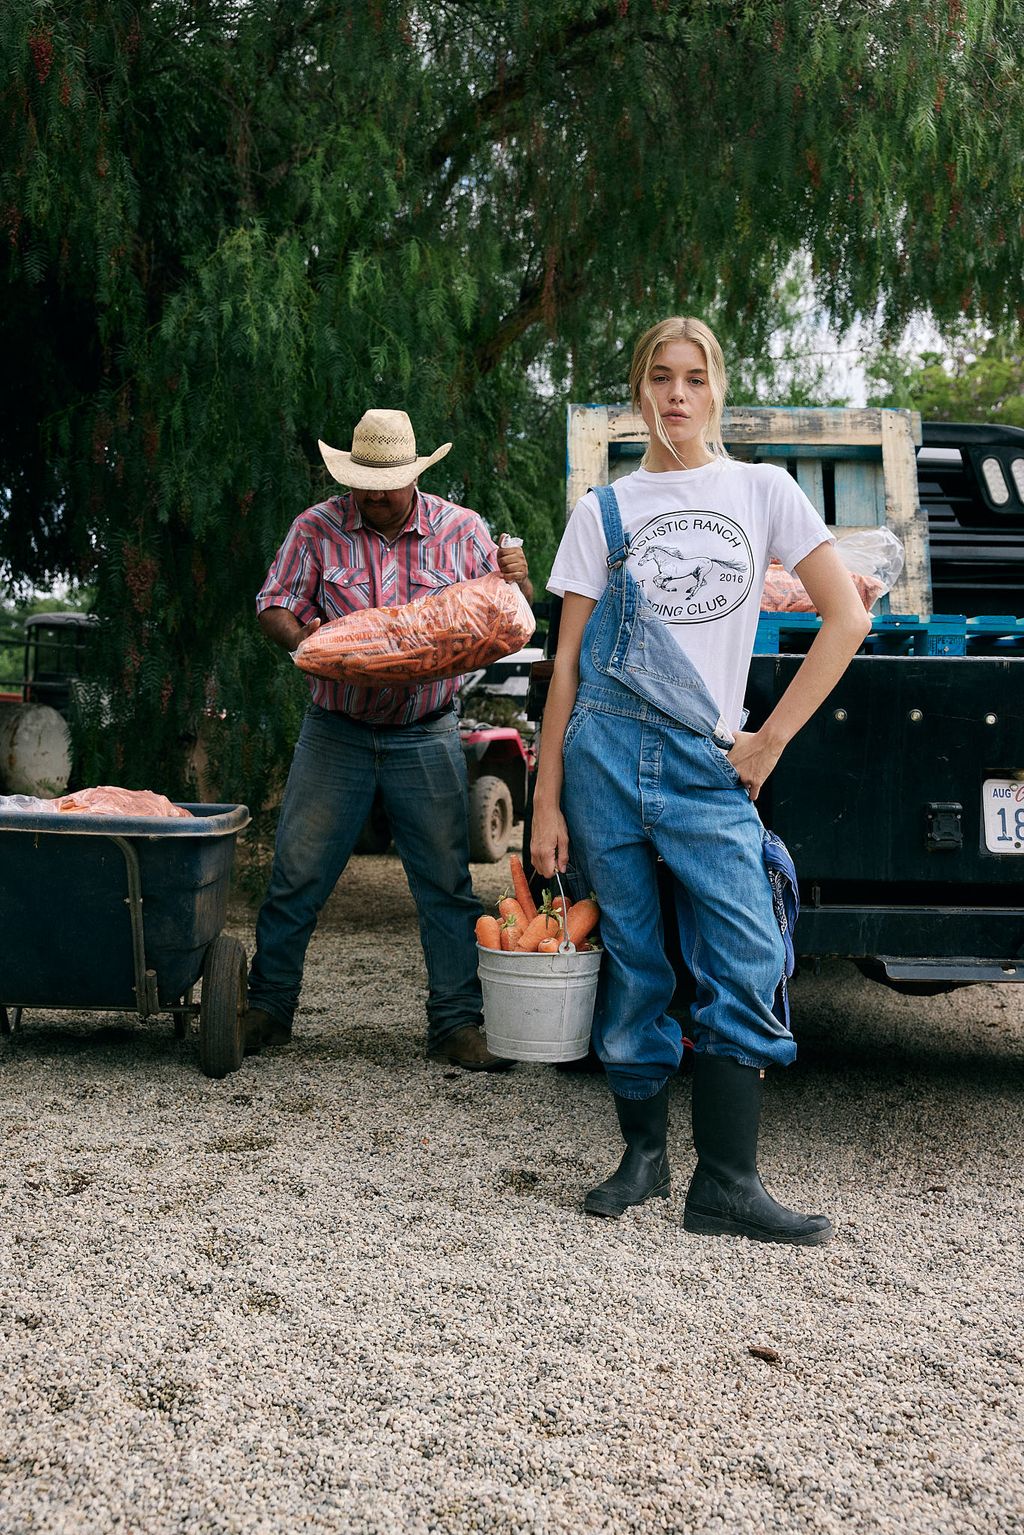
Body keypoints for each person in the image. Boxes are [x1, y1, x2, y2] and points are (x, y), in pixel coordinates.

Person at [530, 317, 871, 1243]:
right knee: (635, 960)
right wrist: (545, 800)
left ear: (718, 388)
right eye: (658, 377)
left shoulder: (762, 491)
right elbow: (565, 670)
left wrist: (769, 741)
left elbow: (846, 617)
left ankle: (725, 1183)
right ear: (637, 391)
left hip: (703, 757)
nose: (676, 394)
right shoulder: (604, 511)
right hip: (602, 757)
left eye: (693, 376)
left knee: (746, 951)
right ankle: (643, 1158)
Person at [246, 408, 533, 1071]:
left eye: (388, 485)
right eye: (364, 485)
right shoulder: (315, 528)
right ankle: (268, 1009)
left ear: (414, 475)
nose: (374, 496)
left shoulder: (463, 531)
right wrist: (309, 644)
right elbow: (273, 604)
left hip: (427, 732)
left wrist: (519, 573)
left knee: (444, 882)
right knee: (296, 876)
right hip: (335, 731)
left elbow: (510, 613)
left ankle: (456, 1024)